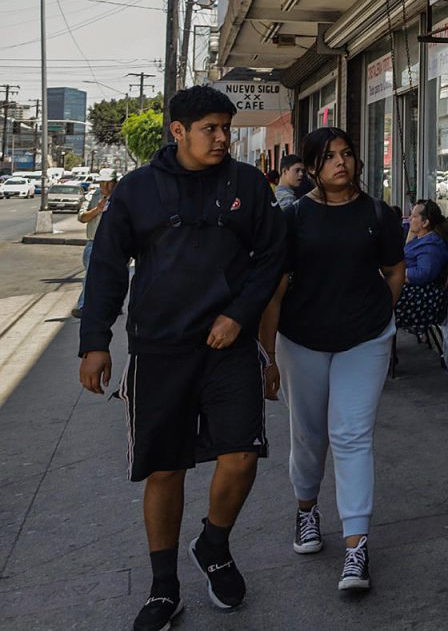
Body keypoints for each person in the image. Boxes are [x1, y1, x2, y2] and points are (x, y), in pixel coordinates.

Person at [78, 86, 286, 631]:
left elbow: (271, 257)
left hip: (229, 347)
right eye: (210, 129)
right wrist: (95, 340)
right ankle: (163, 588)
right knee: (165, 469)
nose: (222, 138)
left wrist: (239, 315)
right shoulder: (137, 191)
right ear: (178, 131)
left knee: (241, 456)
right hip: (160, 349)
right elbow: (105, 265)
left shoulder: (246, 185)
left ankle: (213, 545)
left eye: (225, 127)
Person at [258, 126, 405, 593]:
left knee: (351, 434)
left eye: (347, 154)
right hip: (302, 340)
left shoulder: (379, 214)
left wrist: (382, 309)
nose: (341, 162)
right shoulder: (294, 218)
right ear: (312, 167)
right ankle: (306, 511)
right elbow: (274, 292)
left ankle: (356, 548)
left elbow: (395, 268)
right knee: (309, 435)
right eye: (328, 157)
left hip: (365, 339)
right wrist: (268, 358)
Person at [397, 198, 448, 334]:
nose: (410, 218)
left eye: (414, 216)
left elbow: (423, 273)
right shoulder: (420, 239)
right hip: (411, 292)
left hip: (422, 300)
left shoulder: (431, 245)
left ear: (425, 222)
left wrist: (397, 274)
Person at [71, 168, 118, 319]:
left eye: (110, 183)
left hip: (115, 244)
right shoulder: (92, 196)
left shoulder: (123, 197)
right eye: (103, 183)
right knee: (91, 276)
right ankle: (83, 306)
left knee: (114, 276)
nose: (106, 186)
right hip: (94, 243)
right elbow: (82, 218)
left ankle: (113, 305)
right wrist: (97, 209)